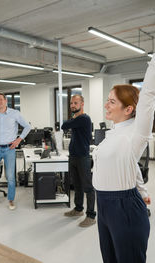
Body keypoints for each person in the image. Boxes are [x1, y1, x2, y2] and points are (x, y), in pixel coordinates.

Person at [92, 32, 155, 263]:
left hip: (123, 209)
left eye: (112, 101)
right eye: (107, 99)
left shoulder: (135, 133)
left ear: (128, 109)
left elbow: (148, 96)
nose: (106, 104)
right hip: (105, 206)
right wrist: (143, 190)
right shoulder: (112, 134)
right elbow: (128, 165)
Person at [0, 93, 31, 212]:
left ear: (6, 101)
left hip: (10, 148)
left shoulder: (15, 113)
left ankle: (11, 199)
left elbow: (27, 126)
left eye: (1, 100)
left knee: (10, 177)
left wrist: (19, 139)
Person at [61, 95, 96, 227]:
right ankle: (78, 209)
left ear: (82, 104)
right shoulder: (77, 119)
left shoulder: (84, 118)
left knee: (88, 187)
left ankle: (91, 216)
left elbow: (64, 125)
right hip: (74, 156)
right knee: (77, 186)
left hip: (83, 158)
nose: (72, 105)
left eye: (75, 103)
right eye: (71, 103)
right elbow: (67, 126)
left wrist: (72, 119)